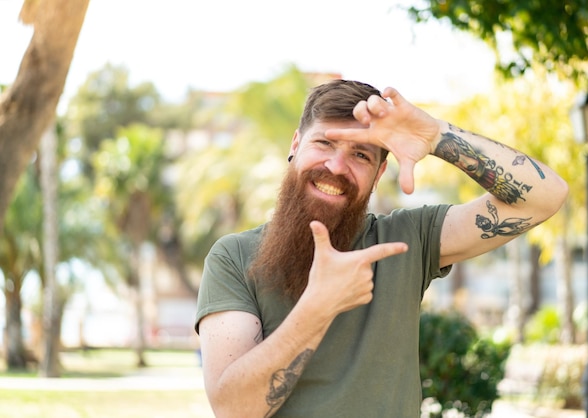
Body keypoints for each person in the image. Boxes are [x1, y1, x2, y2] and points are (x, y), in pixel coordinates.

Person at [194, 79, 568, 417]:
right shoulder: (233, 257)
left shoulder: (409, 240)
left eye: (361, 155)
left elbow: (545, 196)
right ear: (296, 144)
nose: (337, 166)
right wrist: (318, 307)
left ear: (379, 173)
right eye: (324, 142)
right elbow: (234, 410)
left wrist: (436, 135)